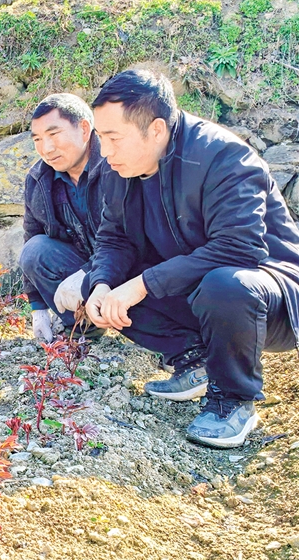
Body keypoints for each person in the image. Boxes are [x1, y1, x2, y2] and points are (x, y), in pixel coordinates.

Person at [83, 69, 299, 448]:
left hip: (271, 299)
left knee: (225, 284)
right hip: (197, 290)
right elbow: (114, 238)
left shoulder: (223, 157)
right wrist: (102, 284)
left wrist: (142, 284)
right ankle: (196, 360)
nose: (105, 151)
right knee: (100, 281)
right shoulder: (120, 167)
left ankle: (233, 400)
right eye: (101, 138)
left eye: (114, 138)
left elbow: (240, 249)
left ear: (156, 129)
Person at [19, 94, 107, 342]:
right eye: (38, 139)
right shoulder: (38, 179)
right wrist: (38, 308)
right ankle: (84, 327)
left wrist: (91, 272)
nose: (46, 149)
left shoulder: (116, 165)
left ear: (84, 129)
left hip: (125, 267)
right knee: (34, 251)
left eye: (54, 134)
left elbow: (134, 239)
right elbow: (32, 236)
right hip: (83, 266)